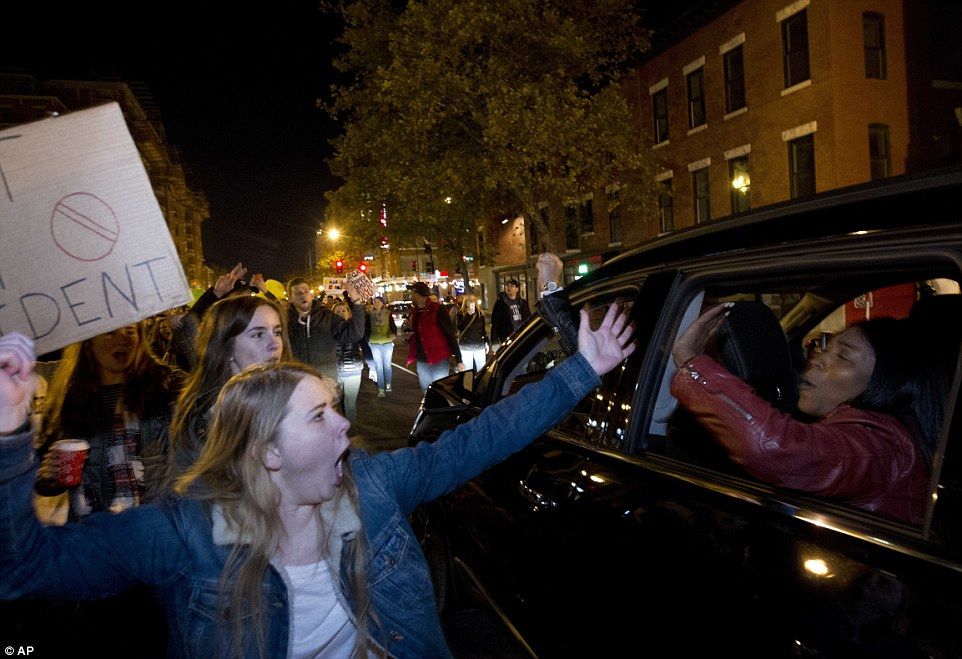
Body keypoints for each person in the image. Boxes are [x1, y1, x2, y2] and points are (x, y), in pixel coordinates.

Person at [0, 301, 634, 658]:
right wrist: (9, 441)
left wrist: (583, 369)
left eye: (335, 407)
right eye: (320, 415)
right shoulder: (184, 533)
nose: (343, 428)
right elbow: (23, 568)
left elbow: (477, 441)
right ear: (268, 453)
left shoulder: (375, 488)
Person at [670, 304, 944, 523]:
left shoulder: (880, 447)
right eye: (826, 347)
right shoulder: (884, 432)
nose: (818, 357)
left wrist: (691, 361)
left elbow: (774, 446)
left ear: (884, 380)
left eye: (843, 357)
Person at [36, 323, 183, 520]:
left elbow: (206, 396)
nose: (122, 339)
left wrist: (184, 330)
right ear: (88, 342)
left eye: (130, 331)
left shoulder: (164, 389)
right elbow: (42, 468)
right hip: (94, 534)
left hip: (153, 530)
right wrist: (50, 478)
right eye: (110, 332)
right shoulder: (68, 402)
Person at [167, 295, 292, 480]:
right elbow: (193, 491)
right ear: (228, 346)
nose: (275, 345)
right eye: (258, 334)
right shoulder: (201, 419)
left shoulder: (297, 398)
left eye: (277, 332)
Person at [286, 277, 366, 382]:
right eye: (298, 293)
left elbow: (354, 333)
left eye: (306, 291)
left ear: (312, 295)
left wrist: (356, 302)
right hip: (296, 384)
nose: (303, 295)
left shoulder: (327, 317)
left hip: (326, 382)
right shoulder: (284, 321)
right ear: (290, 298)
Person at [404, 281, 465, 392]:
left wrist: (458, 358)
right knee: (426, 393)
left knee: (440, 393)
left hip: (439, 359)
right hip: (422, 360)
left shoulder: (437, 309)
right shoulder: (415, 312)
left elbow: (449, 334)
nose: (410, 296)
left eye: (412, 293)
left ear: (418, 295)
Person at [332, 301, 365, 423]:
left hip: (353, 369)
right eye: (337, 311)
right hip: (335, 372)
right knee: (333, 404)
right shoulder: (329, 329)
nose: (340, 313)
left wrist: (372, 364)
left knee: (350, 404)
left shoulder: (355, 328)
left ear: (349, 313)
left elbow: (365, 344)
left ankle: (351, 434)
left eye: (343, 311)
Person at [367, 296, 397, 398]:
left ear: (382, 303)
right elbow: (367, 328)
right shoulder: (369, 314)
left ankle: (388, 385)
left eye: (378, 301)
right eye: (375, 301)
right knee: (378, 366)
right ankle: (381, 389)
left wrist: (393, 334)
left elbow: (393, 326)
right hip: (374, 343)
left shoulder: (388, 313)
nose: (376, 303)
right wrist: (368, 339)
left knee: (387, 366)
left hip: (387, 342)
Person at [490, 277, 530, 349]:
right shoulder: (500, 303)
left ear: (517, 289)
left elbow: (528, 319)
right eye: (507, 286)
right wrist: (495, 342)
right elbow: (495, 323)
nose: (509, 288)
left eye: (512, 286)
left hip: (521, 336)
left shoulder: (523, 303)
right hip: (507, 337)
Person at [456, 293, 488, 372]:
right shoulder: (461, 313)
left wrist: (486, 342)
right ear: (465, 302)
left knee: (481, 370)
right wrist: (467, 315)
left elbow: (483, 330)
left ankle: (480, 384)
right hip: (465, 345)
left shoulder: (480, 314)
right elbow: (459, 327)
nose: (471, 302)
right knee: (467, 371)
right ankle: (468, 384)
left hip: (479, 345)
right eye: (469, 300)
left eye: (473, 300)